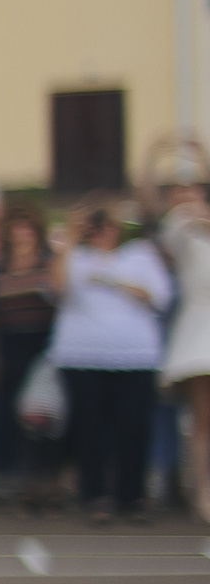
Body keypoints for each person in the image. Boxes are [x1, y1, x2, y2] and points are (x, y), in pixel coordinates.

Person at [50, 198, 172, 522]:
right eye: (96, 226)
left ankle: (132, 496)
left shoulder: (141, 255)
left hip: (135, 357)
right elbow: (56, 288)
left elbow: (160, 296)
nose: (102, 232)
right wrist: (71, 237)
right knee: (89, 428)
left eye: (107, 225)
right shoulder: (74, 256)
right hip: (83, 356)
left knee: (133, 428)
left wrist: (113, 281)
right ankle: (95, 496)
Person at [141, 136, 210, 523]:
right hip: (199, 326)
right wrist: (155, 154)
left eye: (192, 187)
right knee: (202, 418)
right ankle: (201, 493)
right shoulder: (179, 226)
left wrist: (200, 154)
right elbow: (150, 200)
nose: (186, 195)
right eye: (179, 190)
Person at [0, 209, 62, 510]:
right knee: (11, 416)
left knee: (43, 416)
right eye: (16, 229)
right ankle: (18, 482)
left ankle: (47, 480)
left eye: (27, 228)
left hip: (40, 346)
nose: (21, 235)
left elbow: (60, 300)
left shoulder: (48, 264)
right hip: (9, 345)